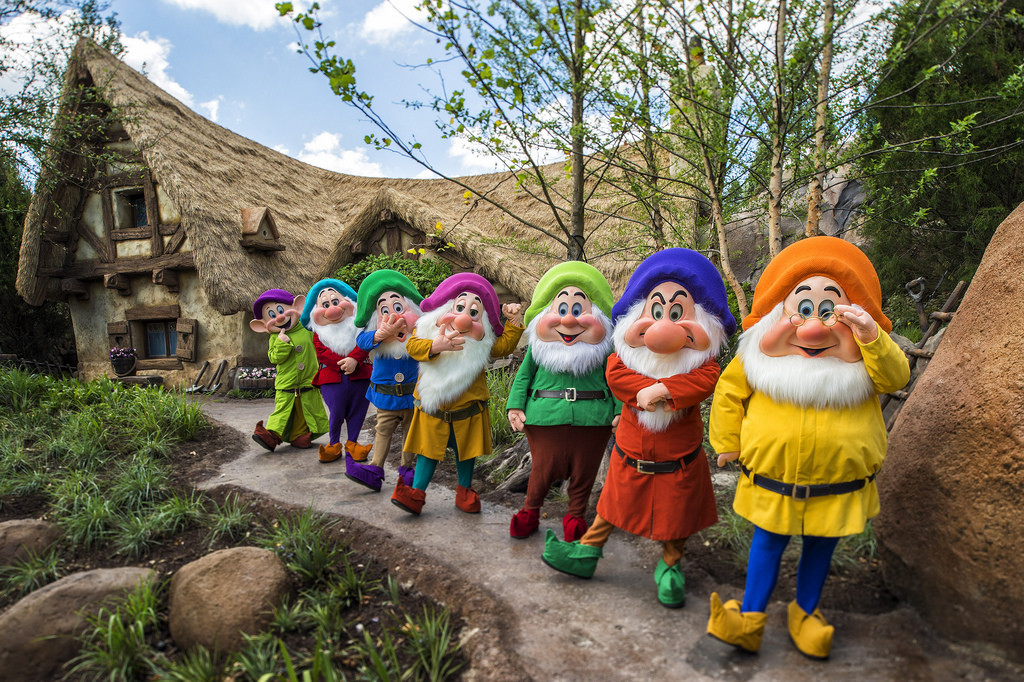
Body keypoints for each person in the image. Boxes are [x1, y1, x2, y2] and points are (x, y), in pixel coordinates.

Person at [706, 236, 911, 659]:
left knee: (821, 547)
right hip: (772, 482)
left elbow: (896, 379)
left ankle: (805, 614)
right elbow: (728, 394)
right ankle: (749, 618)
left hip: (837, 487)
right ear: (778, 313)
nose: (814, 327)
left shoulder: (868, 359)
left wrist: (872, 337)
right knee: (767, 544)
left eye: (829, 311)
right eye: (802, 309)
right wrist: (726, 441)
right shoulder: (758, 358)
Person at [542, 249, 735, 608]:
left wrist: (665, 389)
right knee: (610, 508)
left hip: (679, 462)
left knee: (677, 519)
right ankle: (586, 553)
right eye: (657, 311)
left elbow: (706, 378)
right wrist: (642, 389)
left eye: (677, 313)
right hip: (630, 457)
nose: (664, 326)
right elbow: (615, 373)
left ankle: (670, 566)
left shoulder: (703, 366)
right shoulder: (624, 359)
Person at [390, 273, 524, 516]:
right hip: (434, 409)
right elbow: (413, 346)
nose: (463, 318)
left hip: (468, 410)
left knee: (467, 453)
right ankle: (416, 493)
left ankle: (464, 491)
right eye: (459, 307)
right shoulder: (428, 331)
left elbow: (504, 347)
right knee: (427, 453)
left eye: (474, 313)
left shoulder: (483, 344)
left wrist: (514, 322)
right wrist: (436, 346)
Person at [505, 261, 619, 541]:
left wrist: (620, 410)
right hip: (545, 417)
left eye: (579, 310)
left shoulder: (606, 351)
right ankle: (530, 511)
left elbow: (616, 380)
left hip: (593, 419)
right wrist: (515, 406)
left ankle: (576, 516)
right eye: (562, 309)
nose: (569, 320)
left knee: (584, 473)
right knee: (542, 468)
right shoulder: (538, 349)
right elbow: (523, 377)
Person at [347, 270, 423, 492]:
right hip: (385, 396)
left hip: (412, 395)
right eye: (385, 310)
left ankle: (407, 470)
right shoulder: (373, 335)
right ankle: (375, 468)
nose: (394, 316)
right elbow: (362, 342)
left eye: (398, 308)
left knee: (411, 433)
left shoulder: (418, 336)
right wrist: (380, 334)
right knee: (383, 430)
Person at [300, 279, 373, 467]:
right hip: (332, 377)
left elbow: (365, 342)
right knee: (337, 411)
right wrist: (343, 363)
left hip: (360, 375)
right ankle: (333, 444)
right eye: (325, 304)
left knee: (358, 410)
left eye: (336, 301)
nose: (332, 308)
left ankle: (353, 443)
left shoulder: (360, 327)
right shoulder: (319, 333)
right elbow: (321, 352)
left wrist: (355, 359)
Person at [249, 289, 329, 452]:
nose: (279, 317)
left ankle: (299, 436)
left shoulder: (307, 328)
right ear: (264, 325)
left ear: (297, 307)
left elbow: (321, 344)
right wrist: (282, 343)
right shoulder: (274, 337)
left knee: (304, 410)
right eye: (271, 315)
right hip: (287, 383)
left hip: (308, 381)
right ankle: (270, 436)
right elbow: (274, 358)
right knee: (283, 410)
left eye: (281, 310)